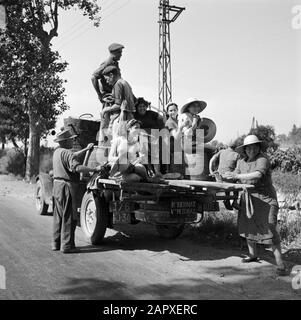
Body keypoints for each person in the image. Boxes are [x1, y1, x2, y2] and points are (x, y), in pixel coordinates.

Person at [223, 135, 287, 276]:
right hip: (248, 199)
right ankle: (252, 255)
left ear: (259, 148)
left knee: (271, 229)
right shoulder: (241, 162)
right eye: (249, 147)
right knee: (248, 226)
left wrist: (236, 177)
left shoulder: (262, 159)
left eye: (254, 147)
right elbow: (235, 178)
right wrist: (227, 176)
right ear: (244, 149)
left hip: (266, 200)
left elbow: (257, 175)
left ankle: (280, 264)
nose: (251, 149)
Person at [52, 129, 101, 254]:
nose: (73, 142)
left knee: (58, 216)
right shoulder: (67, 153)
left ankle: (56, 243)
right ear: (66, 141)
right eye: (71, 140)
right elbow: (76, 167)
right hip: (66, 187)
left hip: (57, 186)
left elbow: (72, 156)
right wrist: (94, 168)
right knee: (69, 217)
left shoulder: (57, 151)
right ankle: (67, 246)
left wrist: (85, 149)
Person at [100, 65, 136, 142]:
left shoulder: (118, 84)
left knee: (117, 144)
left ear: (111, 75)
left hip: (120, 118)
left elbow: (118, 104)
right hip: (129, 117)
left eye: (107, 79)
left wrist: (106, 109)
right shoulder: (126, 83)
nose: (107, 81)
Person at [134, 97, 165, 177]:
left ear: (146, 106)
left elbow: (162, 118)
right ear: (137, 108)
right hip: (142, 134)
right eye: (140, 106)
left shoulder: (151, 113)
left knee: (155, 152)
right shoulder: (135, 115)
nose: (142, 108)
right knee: (143, 153)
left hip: (153, 134)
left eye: (144, 106)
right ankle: (150, 170)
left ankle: (157, 171)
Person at [178, 98, 207, 180]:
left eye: (197, 106)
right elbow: (186, 133)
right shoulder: (184, 116)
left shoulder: (196, 117)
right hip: (186, 143)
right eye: (193, 106)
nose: (196, 108)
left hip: (195, 143)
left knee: (212, 149)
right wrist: (194, 124)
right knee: (211, 149)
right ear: (188, 108)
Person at [209, 141, 240, 209]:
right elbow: (238, 169)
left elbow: (212, 160)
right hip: (229, 179)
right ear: (235, 148)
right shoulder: (237, 155)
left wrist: (211, 171)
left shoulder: (222, 151)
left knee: (228, 179)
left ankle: (227, 200)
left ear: (228, 146)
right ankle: (234, 201)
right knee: (237, 180)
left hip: (219, 178)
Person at [163, 102, 186, 176]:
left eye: (174, 110)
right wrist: (181, 127)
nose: (173, 112)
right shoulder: (169, 123)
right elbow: (176, 137)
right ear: (167, 112)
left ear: (177, 110)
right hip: (173, 148)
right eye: (170, 111)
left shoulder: (177, 121)